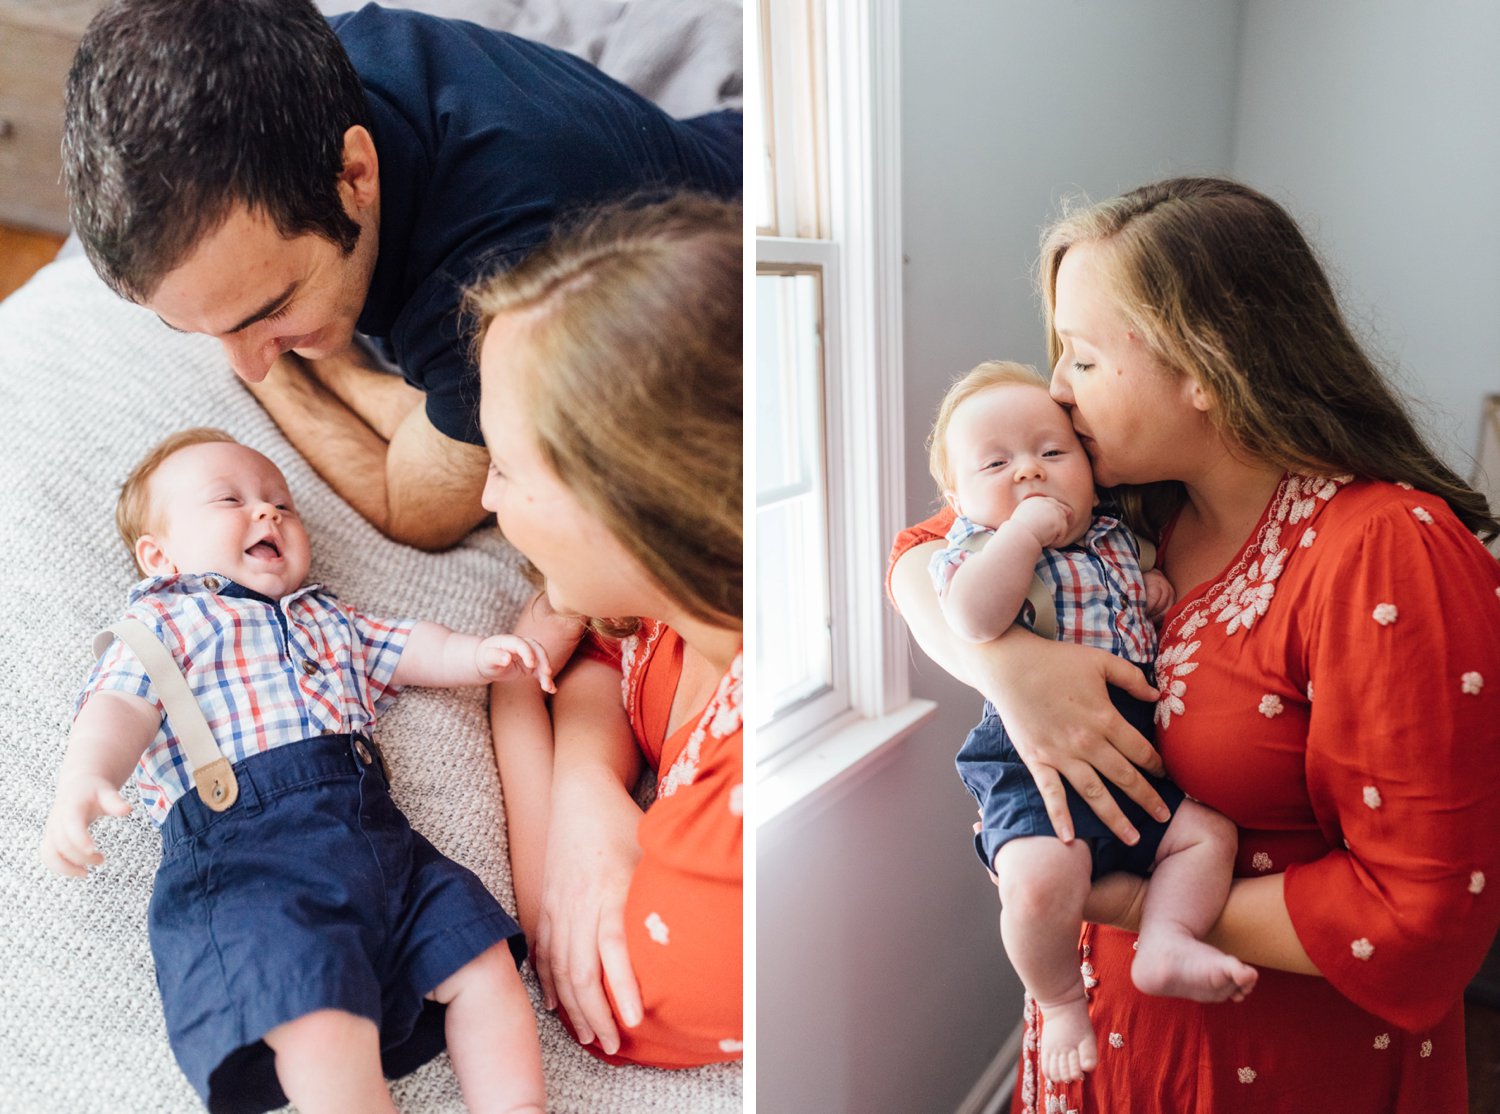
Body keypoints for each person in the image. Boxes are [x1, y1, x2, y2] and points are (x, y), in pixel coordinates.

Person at [888, 177, 1500, 1111]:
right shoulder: (1126, 497)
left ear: (1204, 369)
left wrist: (1134, 908)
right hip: (1097, 1037)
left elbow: (1421, 914)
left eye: (1083, 360)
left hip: (1276, 1059)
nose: (1055, 389)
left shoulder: (1389, 553)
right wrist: (1009, 670)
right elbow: (921, 554)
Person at [61, 0, 741, 552]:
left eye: (267, 311)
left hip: (753, 243)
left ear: (354, 174)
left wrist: (313, 380)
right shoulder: (285, 65)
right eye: (189, 326)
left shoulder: (506, 280)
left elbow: (412, 506)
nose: (253, 363)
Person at [39, 428, 575, 1114]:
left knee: (477, 950)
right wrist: (85, 777)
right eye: (229, 500)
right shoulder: (163, 621)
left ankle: (515, 1105)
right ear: (158, 555)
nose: (267, 514)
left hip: (381, 846)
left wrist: (480, 657)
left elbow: (409, 645)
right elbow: (117, 707)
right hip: (250, 863)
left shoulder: (326, 616)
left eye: (281, 505)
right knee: (311, 1007)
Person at [927, 359, 1255, 1084]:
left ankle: (1167, 940)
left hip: (1135, 750)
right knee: (1043, 882)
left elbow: (1139, 591)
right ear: (956, 497)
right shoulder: (973, 550)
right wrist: (1022, 537)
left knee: (1207, 836)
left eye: (1052, 453)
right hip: (1027, 755)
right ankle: (1061, 997)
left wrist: (1156, 590)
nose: (1029, 475)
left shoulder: (1115, 537)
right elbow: (975, 619)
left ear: (1090, 464)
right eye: (996, 464)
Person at [473, 194, 742, 1068]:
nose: (486, 501)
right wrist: (589, 785)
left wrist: (515, 695)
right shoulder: (706, 586)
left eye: (507, 471)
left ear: (632, 505)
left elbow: (606, 998)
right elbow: (602, 642)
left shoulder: (745, 808)